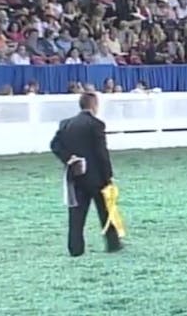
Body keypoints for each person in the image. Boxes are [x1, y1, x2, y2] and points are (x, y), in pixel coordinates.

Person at [50, 92, 123, 256]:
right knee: (106, 211)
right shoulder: (96, 124)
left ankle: (75, 248)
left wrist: (69, 159)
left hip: (75, 175)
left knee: (76, 214)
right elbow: (101, 153)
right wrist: (108, 176)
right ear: (94, 105)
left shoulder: (65, 124)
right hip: (96, 177)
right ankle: (113, 243)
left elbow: (54, 145)